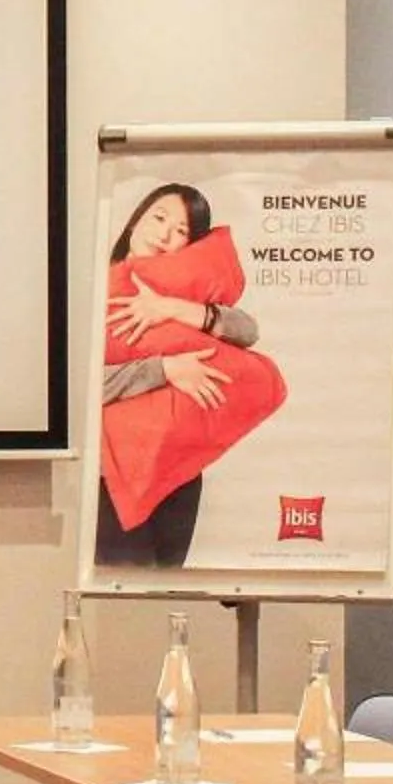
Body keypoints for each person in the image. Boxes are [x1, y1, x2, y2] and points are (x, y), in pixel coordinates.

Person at [97, 181, 277, 569]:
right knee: (126, 602)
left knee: (167, 592)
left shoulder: (182, 289)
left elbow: (247, 331)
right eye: (159, 218)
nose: (165, 234)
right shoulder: (93, 286)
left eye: (181, 231)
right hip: (113, 474)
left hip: (178, 473)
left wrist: (172, 309)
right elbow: (80, 384)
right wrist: (164, 368)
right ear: (135, 220)